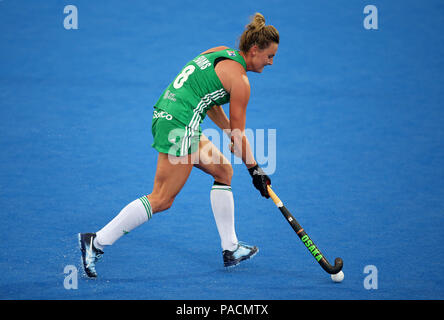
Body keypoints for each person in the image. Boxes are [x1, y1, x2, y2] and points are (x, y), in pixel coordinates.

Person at [79, 13, 279, 278]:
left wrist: (230, 133)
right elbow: (240, 137)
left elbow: (209, 100)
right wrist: (256, 171)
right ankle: (97, 242)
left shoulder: (222, 51)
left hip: (172, 114)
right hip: (179, 124)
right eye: (270, 56)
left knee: (223, 171)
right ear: (254, 50)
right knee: (162, 198)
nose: (271, 62)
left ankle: (231, 248)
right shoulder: (241, 82)